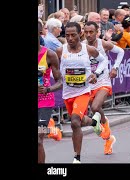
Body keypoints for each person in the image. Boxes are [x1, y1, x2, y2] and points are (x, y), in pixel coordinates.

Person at [56, 22, 107, 163]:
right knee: (78, 121)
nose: (70, 38)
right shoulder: (60, 51)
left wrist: (95, 73)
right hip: (67, 93)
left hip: (83, 92)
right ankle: (93, 122)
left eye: (73, 35)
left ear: (80, 34)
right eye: (67, 35)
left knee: (74, 122)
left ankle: (76, 157)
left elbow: (103, 61)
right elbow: (53, 67)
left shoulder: (88, 49)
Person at [83, 21, 125, 155]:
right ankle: (108, 138)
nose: (89, 35)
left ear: (97, 32)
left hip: (103, 81)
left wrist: (115, 67)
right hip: (88, 83)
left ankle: (104, 125)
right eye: (86, 32)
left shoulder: (103, 44)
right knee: (96, 110)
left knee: (95, 108)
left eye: (91, 32)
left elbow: (121, 52)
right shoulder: (81, 46)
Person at [38, 21, 63, 163]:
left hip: (44, 101)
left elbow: (60, 82)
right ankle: (51, 130)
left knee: (38, 140)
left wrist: (48, 89)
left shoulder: (49, 55)